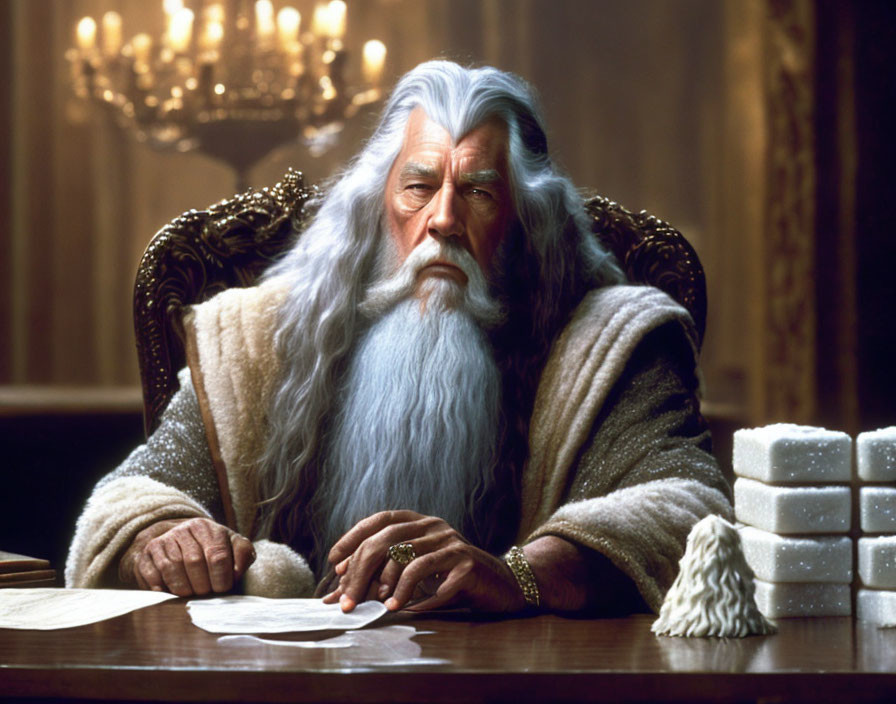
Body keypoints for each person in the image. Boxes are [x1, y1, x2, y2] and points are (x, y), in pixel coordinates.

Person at [66, 61, 732, 615]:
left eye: (478, 193)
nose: (442, 219)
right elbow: (137, 493)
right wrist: (159, 537)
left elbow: (693, 512)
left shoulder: (604, 342)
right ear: (376, 207)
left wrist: (518, 576)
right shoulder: (258, 337)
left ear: (528, 222)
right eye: (419, 187)